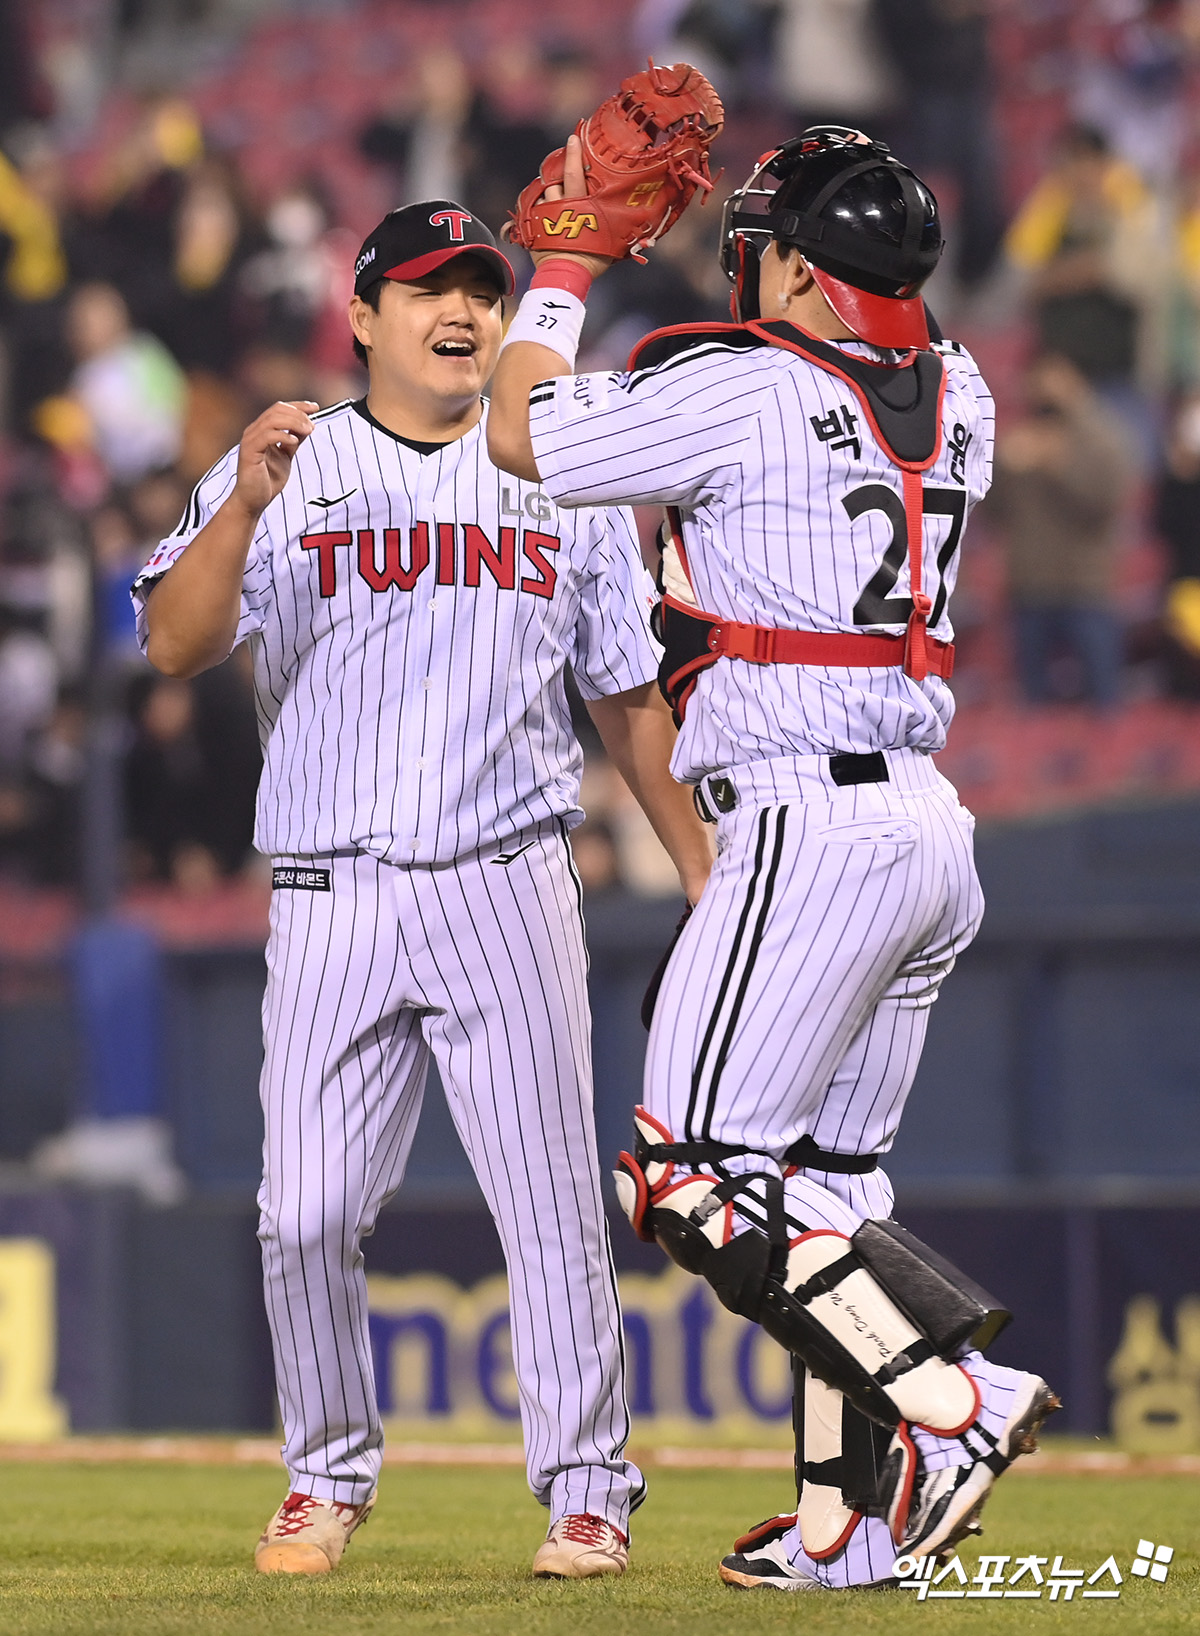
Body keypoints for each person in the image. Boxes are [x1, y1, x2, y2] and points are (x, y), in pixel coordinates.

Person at [488, 124, 1059, 1592]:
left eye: (768, 250)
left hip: (809, 820)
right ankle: (841, 1525)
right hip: (928, 827)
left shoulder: (747, 387)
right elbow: (870, 368)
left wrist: (560, 268)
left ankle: (954, 1400)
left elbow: (519, 434)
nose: (752, 269)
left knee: (691, 1179)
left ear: (802, 270)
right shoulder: (966, 392)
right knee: (827, 1194)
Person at [135, 201, 711, 1578]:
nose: (462, 311)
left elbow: (629, 701)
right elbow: (170, 641)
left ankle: (587, 1489)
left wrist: (705, 873)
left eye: (482, 291)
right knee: (305, 1214)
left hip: (504, 885)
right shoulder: (293, 459)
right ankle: (326, 1474)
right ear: (364, 314)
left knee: (549, 1203)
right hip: (330, 891)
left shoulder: (559, 474)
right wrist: (246, 509)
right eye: (429, 289)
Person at [986, 354, 1134, 709]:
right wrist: (1001, 468)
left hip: (1085, 584)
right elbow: (992, 513)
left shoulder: (1102, 436)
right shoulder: (1022, 432)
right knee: (1031, 702)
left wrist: (1057, 465)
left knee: (1104, 699)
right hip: (1030, 582)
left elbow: (1105, 503)